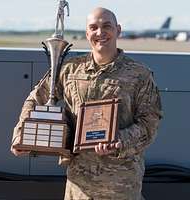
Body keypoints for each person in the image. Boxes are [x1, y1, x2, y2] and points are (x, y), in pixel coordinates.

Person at [11, 7, 162, 200]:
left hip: (122, 186)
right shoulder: (69, 70)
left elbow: (149, 124)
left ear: (118, 30)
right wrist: (22, 134)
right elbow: (35, 98)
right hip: (79, 187)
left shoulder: (139, 75)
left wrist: (118, 141)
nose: (100, 32)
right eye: (94, 27)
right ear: (87, 33)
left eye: (107, 26)